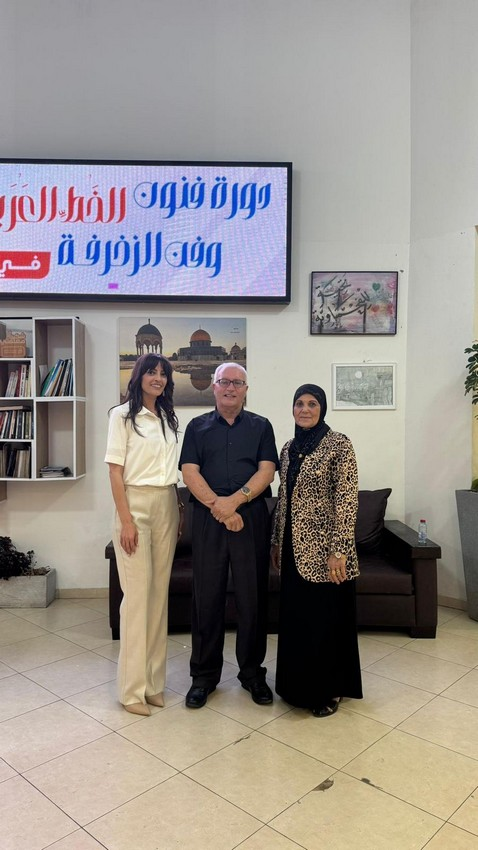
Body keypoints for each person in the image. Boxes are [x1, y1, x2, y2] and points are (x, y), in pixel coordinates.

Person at [179, 363, 279, 709]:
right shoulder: (197, 427)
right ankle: (203, 677)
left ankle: (252, 674)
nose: (230, 388)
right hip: (209, 518)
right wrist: (219, 507)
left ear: (246, 389)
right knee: (206, 598)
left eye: (237, 382)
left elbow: (267, 470)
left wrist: (234, 502)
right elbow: (189, 472)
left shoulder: (261, 426)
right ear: (214, 387)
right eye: (224, 382)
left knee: (253, 598)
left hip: (250, 516)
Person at [271, 383, 363, 717]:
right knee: (298, 621)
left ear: (322, 408)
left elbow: (347, 499)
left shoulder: (339, 444)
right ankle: (295, 687)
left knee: (326, 621)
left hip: (327, 553)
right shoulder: (289, 448)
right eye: (299, 403)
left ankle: (329, 689)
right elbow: (284, 499)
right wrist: (276, 541)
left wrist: (339, 549)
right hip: (293, 550)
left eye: (312, 403)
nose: (305, 409)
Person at [105, 353, 183, 717]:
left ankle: (153, 684)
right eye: (151, 372)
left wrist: (177, 508)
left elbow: (169, 469)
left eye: (163, 374)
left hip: (167, 502)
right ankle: (131, 690)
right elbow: (115, 472)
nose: (158, 378)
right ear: (138, 376)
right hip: (134, 504)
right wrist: (126, 521)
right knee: (136, 598)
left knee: (157, 597)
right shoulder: (121, 416)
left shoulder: (167, 417)